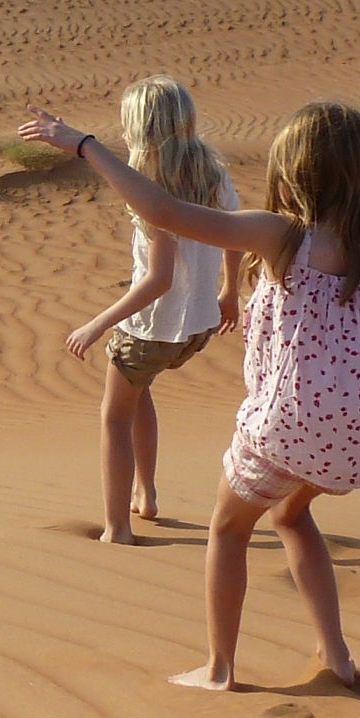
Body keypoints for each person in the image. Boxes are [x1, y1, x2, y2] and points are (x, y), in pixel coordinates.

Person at [16, 101, 360, 691]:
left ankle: (219, 669)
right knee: (291, 514)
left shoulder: (281, 236)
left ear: (292, 170)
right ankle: (336, 655)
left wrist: (85, 144)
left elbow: (162, 211)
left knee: (228, 529)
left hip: (294, 424)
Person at [62, 77, 242, 544]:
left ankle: (117, 526)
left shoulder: (151, 188)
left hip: (152, 329)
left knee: (113, 417)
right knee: (138, 392)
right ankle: (146, 493)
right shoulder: (212, 170)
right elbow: (235, 232)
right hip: (197, 325)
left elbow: (158, 279)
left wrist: (99, 323)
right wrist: (229, 292)